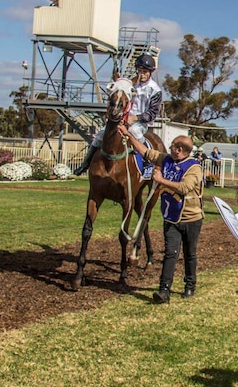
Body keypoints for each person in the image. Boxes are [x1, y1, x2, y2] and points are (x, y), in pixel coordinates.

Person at [118, 125, 203, 304]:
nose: (169, 147)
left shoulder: (194, 167)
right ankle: (164, 291)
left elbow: (184, 187)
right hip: (171, 217)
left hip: (191, 218)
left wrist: (160, 180)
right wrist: (128, 135)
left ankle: (189, 285)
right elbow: (145, 152)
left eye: (172, 145)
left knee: (190, 253)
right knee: (170, 253)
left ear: (180, 149)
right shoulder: (166, 159)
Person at [75, 54, 163, 175]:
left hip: (139, 122)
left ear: (150, 72)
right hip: (122, 118)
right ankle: (85, 163)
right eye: (140, 71)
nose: (141, 74)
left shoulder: (155, 89)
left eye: (145, 72)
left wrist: (134, 118)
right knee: (100, 135)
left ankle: (147, 159)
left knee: (135, 132)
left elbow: (153, 113)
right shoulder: (131, 84)